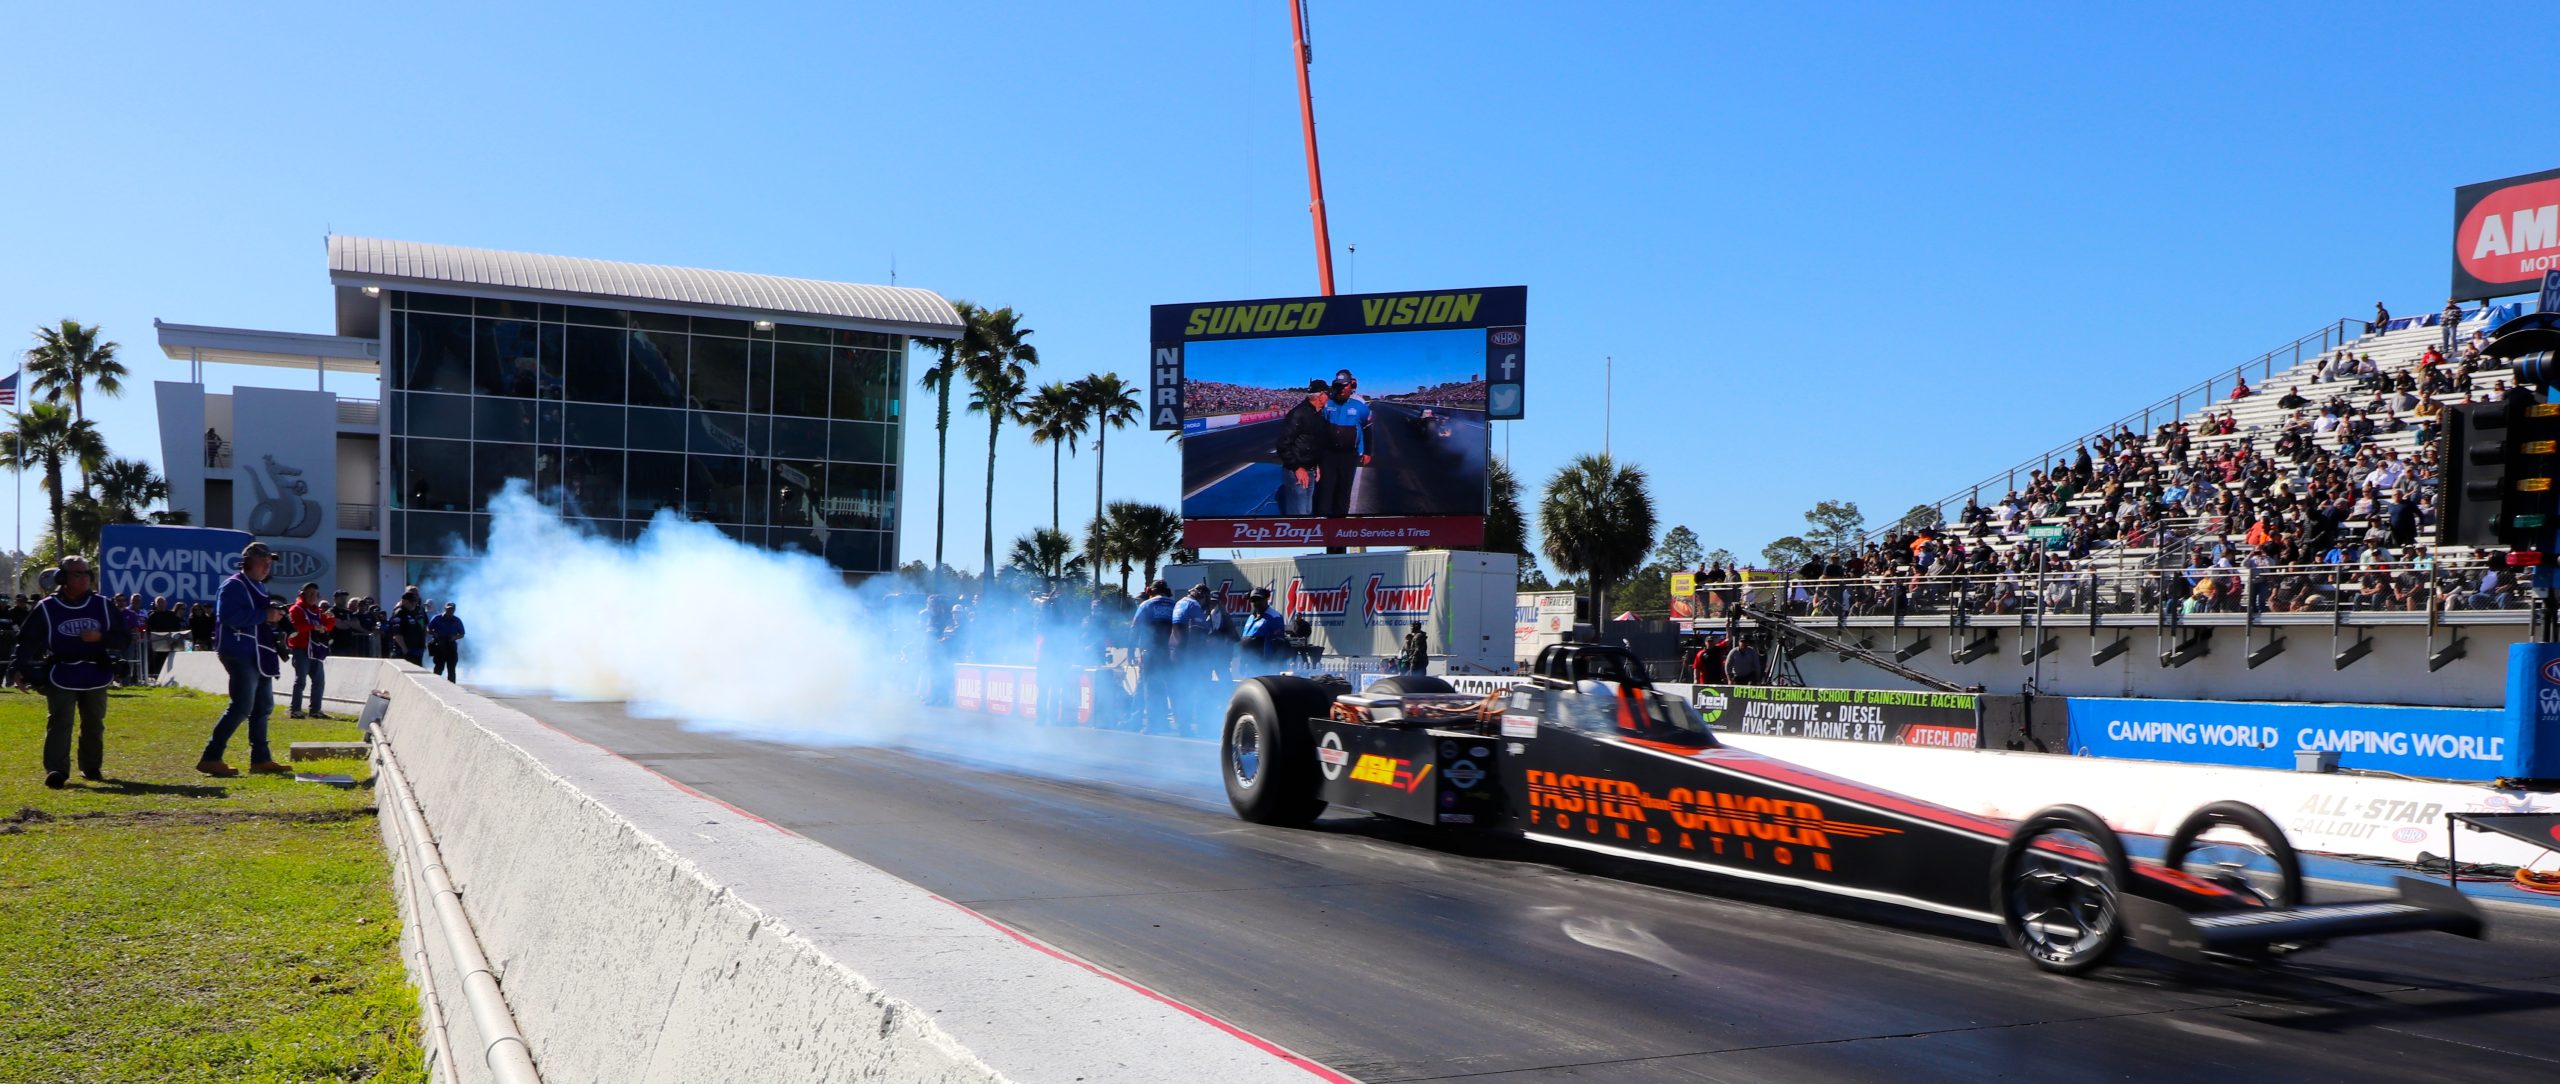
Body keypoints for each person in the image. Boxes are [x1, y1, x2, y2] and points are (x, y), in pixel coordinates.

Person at [14, 557, 128, 788]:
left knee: (94, 722)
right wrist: (17, 667)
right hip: (62, 672)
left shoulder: (103, 605)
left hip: (96, 671)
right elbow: (27, 640)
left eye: (87, 573)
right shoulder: (47, 607)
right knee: (60, 722)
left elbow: (124, 637)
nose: (84, 577)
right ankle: (56, 769)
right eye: (77, 573)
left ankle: (91, 766)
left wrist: (101, 638)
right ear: (62, 578)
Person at [199, 542, 289, 778]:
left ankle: (261, 758)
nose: (267, 566)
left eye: (270, 562)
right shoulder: (234, 585)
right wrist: (264, 615)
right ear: (249, 562)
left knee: (263, 706)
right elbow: (227, 616)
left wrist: (272, 616)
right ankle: (211, 756)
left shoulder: (256, 586)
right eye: (263, 561)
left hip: (258, 652)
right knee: (241, 706)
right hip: (239, 651)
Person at [1314, 369, 1371, 517]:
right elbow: (1320, 429)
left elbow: (1367, 429)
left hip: (1349, 456)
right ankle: (1323, 521)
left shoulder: (1360, 406)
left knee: (1344, 489)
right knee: (1326, 489)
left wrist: (1367, 452)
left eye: (1344, 385)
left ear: (1351, 386)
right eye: (1338, 385)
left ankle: (1340, 522)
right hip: (1329, 455)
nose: (1341, 389)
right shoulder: (1328, 404)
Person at [1128, 581, 1178, 734]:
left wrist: (1130, 651)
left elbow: (1135, 628)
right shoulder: (1175, 605)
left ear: (1151, 591)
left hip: (1151, 652)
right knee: (1170, 688)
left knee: (1151, 689)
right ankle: (1180, 723)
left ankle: (1153, 725)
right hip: (1170, 653)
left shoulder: (1146, 605)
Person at [1275, 380, 1331, 516]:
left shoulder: (1318, 414)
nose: (1329, 396)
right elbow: (1282, 445)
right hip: (1297, 473)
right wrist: (1297, 468)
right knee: (1299, 515)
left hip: (1310, 469)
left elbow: (1315, 443)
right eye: (1327, 393)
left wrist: (1316, 464)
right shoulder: (1297, 414)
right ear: (1321, 395)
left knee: (1307, 511)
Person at [286, 582, 336, 718]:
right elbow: (296, 627)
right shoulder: (296, 609)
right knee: (300, 681)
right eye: (310, 593)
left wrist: (329, 621)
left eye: (315, 594)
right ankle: (295, 709)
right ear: (303, 595)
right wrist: (313, 627)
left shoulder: (318, 612)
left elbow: (328, 625)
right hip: (301, 650)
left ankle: (315, 710)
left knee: (319, 682)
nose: (313, 596)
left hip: (315, 651)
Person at [1236, 587, 1289, 669]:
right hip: (1248, 665)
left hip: (1264, 665)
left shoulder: (1274, 617)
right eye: (1253, 600)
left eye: (1259, 599)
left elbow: (1279, 643)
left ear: (1266, 599)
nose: (1256, 602)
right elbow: (1245, 640)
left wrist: (1274, 664)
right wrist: (1242, 661)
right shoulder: (1251, 618)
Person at [427, 603, 466, 681]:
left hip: (451, 647)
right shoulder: (437, 618)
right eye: (448, 609)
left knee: (451, 670)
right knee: (438, 668)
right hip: (439, 646)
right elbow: (428, 629)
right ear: (444, 608)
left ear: (454, 610)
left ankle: (452, 689)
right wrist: (435, 633)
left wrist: (454, 637)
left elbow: (462, 634)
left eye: (451, 609)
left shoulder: (457, 620)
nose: (450, 611)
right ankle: (435, 685)